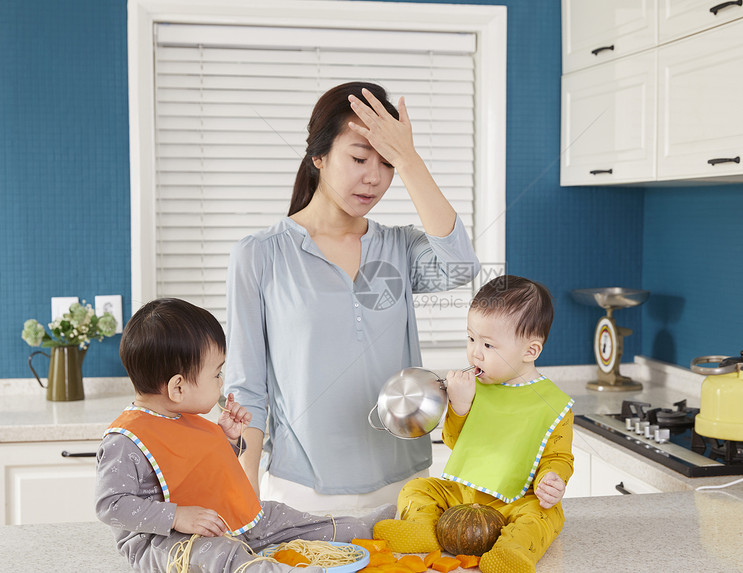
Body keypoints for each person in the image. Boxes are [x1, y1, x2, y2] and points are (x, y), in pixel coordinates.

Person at [224, 81, 480, 511]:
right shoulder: (261, 254)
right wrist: (244, 501)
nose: (374, 177)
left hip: (408, 486)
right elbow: (247, 390)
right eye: (359, 157)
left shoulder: (400, 247)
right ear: (319, 156)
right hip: (303, 492)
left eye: (388, 163)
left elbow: (461, 266)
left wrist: (410, 159)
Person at [95, 298, 394, 573]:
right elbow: (111, 505)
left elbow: (201, 472)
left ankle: (359, 527)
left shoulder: (183, 417)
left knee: (282, 517)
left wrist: (228, 440)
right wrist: (176, 517)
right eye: (216, 374)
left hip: (220, 518)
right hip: (163, 542)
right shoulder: (124, 440)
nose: (221, 381)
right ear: (178, 387)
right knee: (220, 555)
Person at [373, 275, 575, 573]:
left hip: (515, 501)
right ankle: (422, 530)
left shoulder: (555, 405)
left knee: (546, 515)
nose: (475, 353)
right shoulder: (474, 387)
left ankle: (512, 551)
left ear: (530, 351)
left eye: (488, 345)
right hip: (461, 496)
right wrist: (460, 405)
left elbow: (559, 457)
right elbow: (455, 441)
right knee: (418, 487)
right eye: (471, 339)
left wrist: (553, 479)